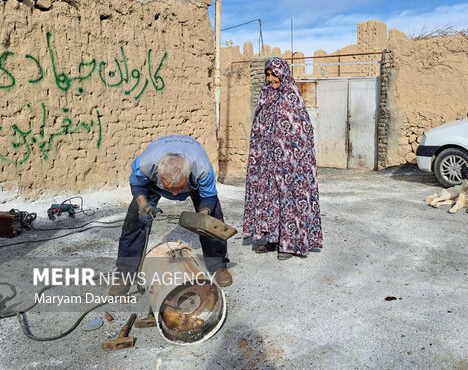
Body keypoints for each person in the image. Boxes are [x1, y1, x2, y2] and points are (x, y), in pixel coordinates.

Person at [109, 135, 231, 296]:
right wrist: (142, 205)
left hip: (191, 179)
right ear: (159, 172)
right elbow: (137, 184)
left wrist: (203, 216)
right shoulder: (145, 165)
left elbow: (208, 196)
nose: (174, 194)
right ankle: (125, 274)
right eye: (170, 188)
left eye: (178, 188)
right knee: (134, 222)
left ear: (189, 173)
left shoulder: (202, 169)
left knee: (213, 221)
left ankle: (218, 265)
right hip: (154, 183)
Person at [243, 57, 323, 260]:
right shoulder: (265, 96)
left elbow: (302, 130)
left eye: (274, 74)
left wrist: (291, 156)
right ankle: (273, 238)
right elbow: (259, 127)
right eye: (267, 75)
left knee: (289, 196)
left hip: (290, 163)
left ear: (283, 73)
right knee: (270, 196)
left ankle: (291, 243)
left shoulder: (291, 96)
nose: (270, 79)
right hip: (268, 160)